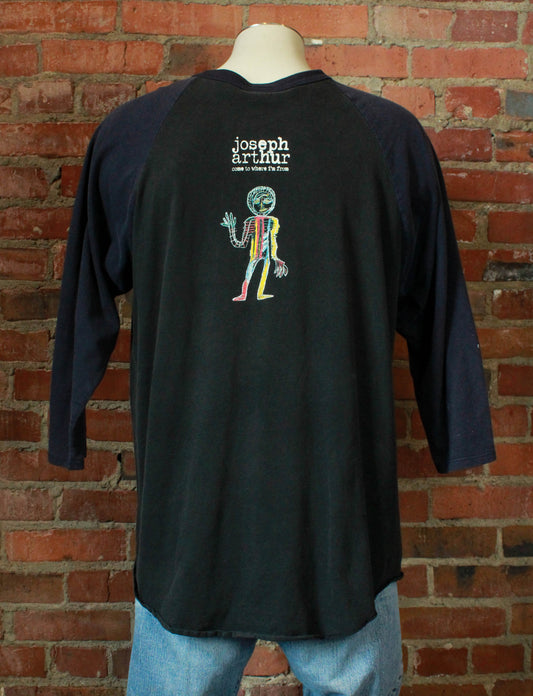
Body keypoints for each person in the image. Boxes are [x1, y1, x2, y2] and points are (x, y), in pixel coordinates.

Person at [48, 23, 495, 696]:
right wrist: (457, 434)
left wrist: (66, 425)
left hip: (213, 525)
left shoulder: (138, 136)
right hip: (315, 527)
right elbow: (437, 310)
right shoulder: (388, 139)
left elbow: (84, 295)